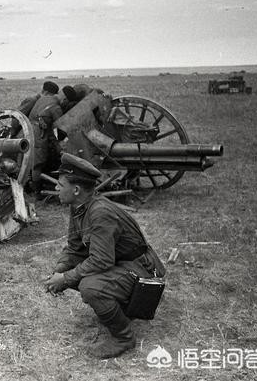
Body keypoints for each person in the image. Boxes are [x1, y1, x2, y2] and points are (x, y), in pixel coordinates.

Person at [43, 153, 166, 359]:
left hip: (142, 270)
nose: (56, 188)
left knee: (90, 287)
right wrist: (59, 270)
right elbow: (74, 248)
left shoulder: (100, 213)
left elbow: (101, 260)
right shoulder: (78, 207)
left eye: (60, 184)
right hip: (122, 263)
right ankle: (118, 309)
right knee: (75, 273)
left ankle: (123, 338)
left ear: (76, 190)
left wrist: (65, 279)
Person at [10, 81, 63, 194]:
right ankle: (35, 191)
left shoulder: (40, 101)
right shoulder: (43, 102)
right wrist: (13, 133)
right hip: (35, 134)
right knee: (36, 163)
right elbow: (17, 116)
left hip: (29, 132)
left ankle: (25, 188)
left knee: (26, 161)